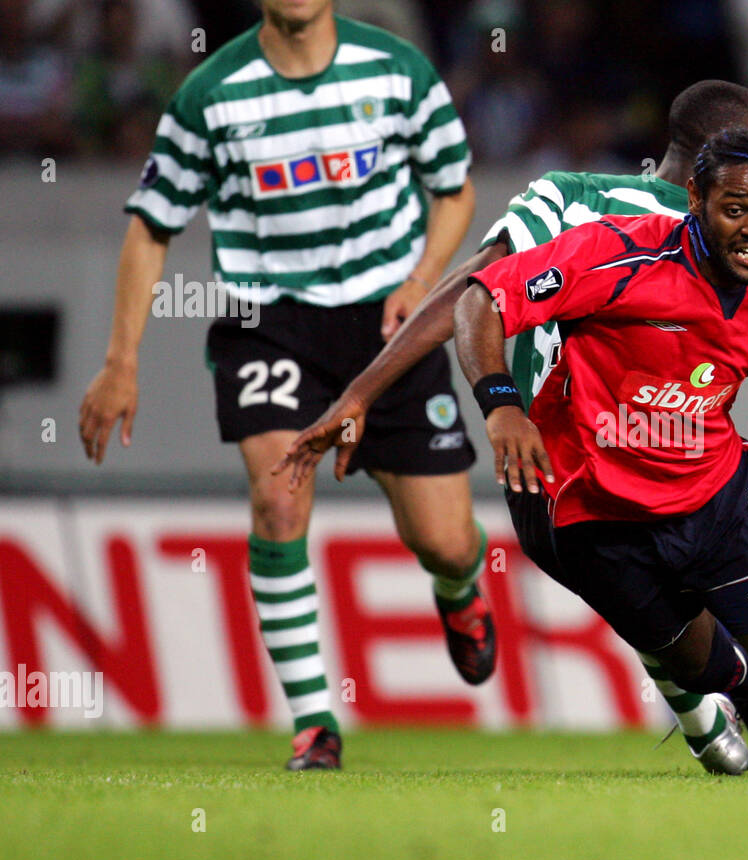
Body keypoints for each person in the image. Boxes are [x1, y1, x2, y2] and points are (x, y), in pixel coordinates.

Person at [275, 81, 748, 776]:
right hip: (566, 471)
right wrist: (492, 403)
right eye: (740, 194)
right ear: (705, 180)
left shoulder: (611, 213)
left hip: (651, 486)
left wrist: (362, 391)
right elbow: (479, 299)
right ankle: (717, 705)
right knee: (686, 640)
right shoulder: (601, 231)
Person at [78, 0, 495, 771]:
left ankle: (461, 586)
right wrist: (121, 359)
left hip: (389, 324)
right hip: (268, 322)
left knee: (441, 540)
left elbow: (455, 186)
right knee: (276, 501)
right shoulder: (211, 93)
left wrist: (424, 277)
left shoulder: (397, 69)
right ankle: (314, 723)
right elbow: (150, 222)